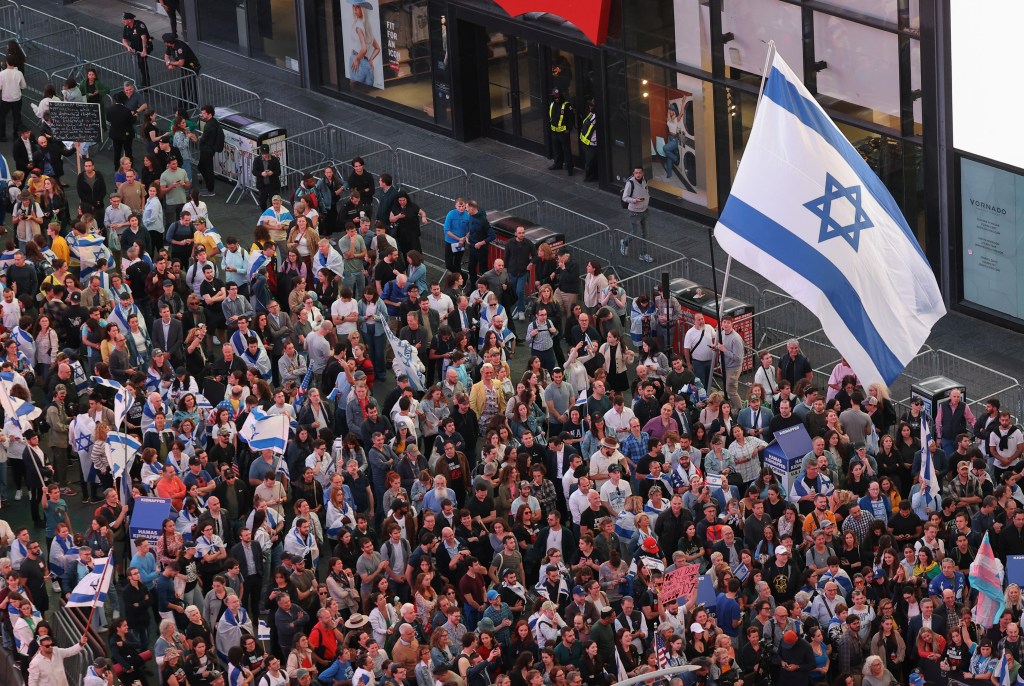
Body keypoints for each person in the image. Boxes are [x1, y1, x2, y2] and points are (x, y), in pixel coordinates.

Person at [620, 166, 650, 262]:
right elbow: (624, 197)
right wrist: (634, 200)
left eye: (640, 172)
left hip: (644, 210)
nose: (638, 174)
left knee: (644, 233)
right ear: (633, 173)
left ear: (643, 173)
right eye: (636, 173)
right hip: (634, 212)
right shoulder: (630, 183)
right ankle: (624, 243)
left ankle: (643, 254)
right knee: (635, 233)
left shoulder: (645, 180)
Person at [197, 105, 222, 197]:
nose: (202, 115)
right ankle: (209, 188)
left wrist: (199, 138)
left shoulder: (209, 125)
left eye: (204, 113)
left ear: (209, 114)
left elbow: (204, 138)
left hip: (207, 150)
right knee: (203, 168)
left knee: (207, 169)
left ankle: (210, 189)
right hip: (208, 150)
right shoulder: (213, 122)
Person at [547, 88, 574, 175]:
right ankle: (558, 164)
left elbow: (571, 119)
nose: (555, 98)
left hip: (563, 134)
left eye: (556, 96)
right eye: (554, 96)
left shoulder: (566, 105)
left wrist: (568, 130)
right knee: (557, 150)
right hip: (554, 132)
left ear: (560, 96)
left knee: (566, 151)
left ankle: (569, 168)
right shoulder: (552, 104)